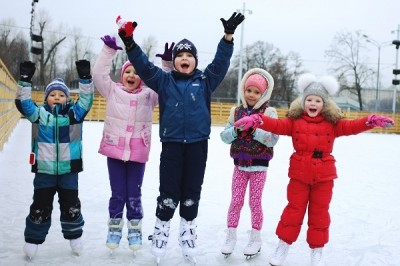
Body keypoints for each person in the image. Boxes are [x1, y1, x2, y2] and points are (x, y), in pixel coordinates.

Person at [116, 12, 245, 262]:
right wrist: (130, 43)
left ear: (195, 61)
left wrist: (227, 37)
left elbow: (220, 63)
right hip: (172, 146)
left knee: (191, 191)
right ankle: (162, 230)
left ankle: (188, 232)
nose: (184, 59)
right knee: (168, 191)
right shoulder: (164, 81)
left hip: (198, 146)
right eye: (180, 56)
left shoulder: (205, 80)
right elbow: (143, 65)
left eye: (189, 55)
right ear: (174, 61)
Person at [233, 73, 395, 266]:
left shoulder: (333, 124)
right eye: (309, 99)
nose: (313, 103)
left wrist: (369, 121)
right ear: (303, 102)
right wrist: (258, 120)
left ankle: (316, 251)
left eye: (317, 100)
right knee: (293, 211)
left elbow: (351, 126)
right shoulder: (295, 121)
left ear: (324, 104)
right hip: (299, 174)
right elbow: (276, 125)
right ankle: (283, 246)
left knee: (319, 213)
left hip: (324, 177)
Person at [15, 60, 94, 260]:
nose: (57, 98)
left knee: (71, 206)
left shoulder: (74, 115)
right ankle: (33, 240)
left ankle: (74, 236)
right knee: (40, 206)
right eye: (52, 95)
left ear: (67, 99)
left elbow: (86, 100)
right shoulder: (39, 115)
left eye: (61, 95)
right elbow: (24, 104)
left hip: (69, 170)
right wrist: (25, 81)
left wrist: (85, 79)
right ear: (46, 99)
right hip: (44, 171)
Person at [92, 35, 164, 252]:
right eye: (128, 72)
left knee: (134, 193)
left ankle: (135, 229)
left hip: (137, 153)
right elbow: (98, 74)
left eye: (136, 72)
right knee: (118, 193)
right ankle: (114, 228)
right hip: (114, 150)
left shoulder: (149, 95)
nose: (132, 75)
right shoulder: (112, 91)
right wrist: (107, 51)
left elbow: (165, 86)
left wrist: (167, 66)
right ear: (122, 76)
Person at [219, 68, 279, 258]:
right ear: (243, 90)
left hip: (259, 167)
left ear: (263, 94)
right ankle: (230, 235)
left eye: (256, 92)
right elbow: (224, 136)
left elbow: (273, 139)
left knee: (255, 202)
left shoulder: (269, 112)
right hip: (239, 165)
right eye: (249, 90)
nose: (252, 95)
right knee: (236, 201)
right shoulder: (235, 111)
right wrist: (237, 131)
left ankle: (255, 237)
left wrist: (254, 131)